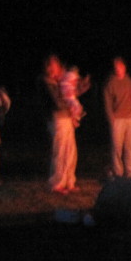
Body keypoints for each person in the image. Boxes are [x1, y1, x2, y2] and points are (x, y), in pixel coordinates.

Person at [43, 55, 90, 194]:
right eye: (51, 66)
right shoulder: (48, 82)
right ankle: (57, 183)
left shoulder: (59, 81)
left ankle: (69, 181)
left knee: (70, 151)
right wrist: (71, 104)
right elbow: (58, 101)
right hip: (58, 119)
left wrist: (79, 89)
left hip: (67, 118)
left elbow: (70, 93)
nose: (54, 69)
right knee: (60, 151)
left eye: (55, 65)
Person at [103, 56, 131, 178]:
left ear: (124, 67)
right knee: (117, 147)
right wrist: (111, 119)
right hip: (118, 119)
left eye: (120, 66)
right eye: (116, 67)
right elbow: (107, 102)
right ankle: (118, 172)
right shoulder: (110, 83)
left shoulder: (130, 81)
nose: (118, 69)